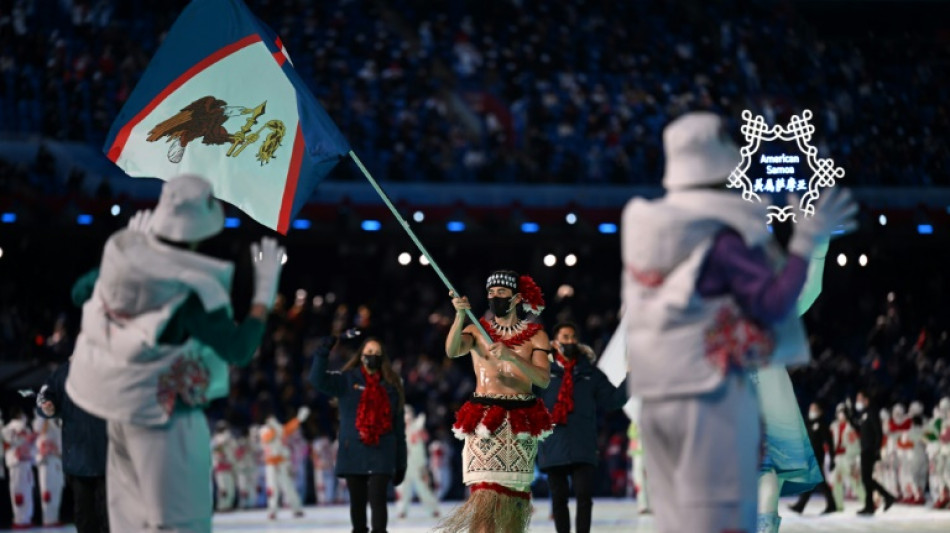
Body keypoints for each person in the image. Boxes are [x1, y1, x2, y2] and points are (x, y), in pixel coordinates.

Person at [621, 111, 857, 533]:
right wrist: (808, 244)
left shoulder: (641, 224)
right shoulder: (726, 238)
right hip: (716, 396)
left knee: (677, 514)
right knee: (730, 511)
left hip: (660, 396)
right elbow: (779, 304)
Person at [65, 173, 285, 532]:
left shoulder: (121, 256)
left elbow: (80, 294)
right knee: (181, 523)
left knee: (131, 525)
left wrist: (137, 245)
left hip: (118, 410)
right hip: (165, 416)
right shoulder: (193, 284)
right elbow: (239, 349)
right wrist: (263, 297)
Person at [440, 271, 553, 533]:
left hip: (520, 421)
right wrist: (459, 316)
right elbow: (452, 350)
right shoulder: (476, 330)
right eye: (490, 293)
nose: (494, 298)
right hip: (485, 420)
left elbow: (543, 379)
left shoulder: (537, 336)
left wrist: (512, 358)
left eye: (501, 293)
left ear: (515, 298)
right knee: (484, 499)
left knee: (514, 501)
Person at [536, 322, 627, 533]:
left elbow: (612, 400)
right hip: (553, 445)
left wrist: (631, 379)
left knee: (584, 498)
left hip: (582, 445)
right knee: (559, 501)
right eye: (564, 337)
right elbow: (528, 400)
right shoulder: (542, 374)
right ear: (555, 343)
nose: (569, 342)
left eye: (572, 337)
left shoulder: (591, 374)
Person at [310, 335, 407, 533]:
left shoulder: (392, 385)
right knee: (358, 504)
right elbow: (317, 379)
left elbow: (399, 428)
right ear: (361, 356)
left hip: (383, 450)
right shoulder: (347, 380)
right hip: (353, 449)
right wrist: (323, 352)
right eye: (369, 352)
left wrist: (401, 462)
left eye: (377, 353)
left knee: (378, 500)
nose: (372, 356)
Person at [846, 391, 896, 515]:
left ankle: (886, 497)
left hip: (870, 450)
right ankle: (871, 505)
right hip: (865, 449)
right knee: (866, 479)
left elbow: (878, 433)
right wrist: (850, 416)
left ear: (866, 400)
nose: (857, 401)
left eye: (859, 399)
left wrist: (876, 450)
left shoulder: (872, 412)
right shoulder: (864, 414)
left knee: (866, 479)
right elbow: (859, 428)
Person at [259, 407, 309, 519]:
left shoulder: (278, 428)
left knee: (288, 487)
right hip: (271, 464)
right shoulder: (264, 430)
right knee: (272, 489)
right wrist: (276, 427)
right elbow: (269, 437)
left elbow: (288, 429)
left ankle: (296, 509)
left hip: (281, 462)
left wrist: (298, 419)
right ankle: (272, 511)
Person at [788, 402, 837, 515]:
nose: (812, 410)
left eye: (814, 408)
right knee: (817, 481)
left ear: (820, 411)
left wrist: (832, 457)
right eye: (811, 408)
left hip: (818, 455)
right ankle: (831, 504)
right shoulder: (808, 423)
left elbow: (829, 442)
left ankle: (801, 505)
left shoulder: (822, 423)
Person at [394, 405, 440, 519]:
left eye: (409, 414)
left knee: (424, 489)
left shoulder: (417, 426)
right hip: (405, 466)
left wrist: (419, 430)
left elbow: (425, 438)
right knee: (403, 490)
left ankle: (433, 509)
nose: (407, 417)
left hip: (419, 465)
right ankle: (402, 511)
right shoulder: (398, 429)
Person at [1, 411, 35, 529]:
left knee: (28, 491)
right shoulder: (7, 429)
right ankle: (19, 519)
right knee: (18, 491)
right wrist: (21, 437)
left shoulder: (27, 429)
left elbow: (32, 444)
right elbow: (9, 442)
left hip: (26, 463)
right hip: (16, 464)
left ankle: (26, 519)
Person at [32, 417, 65, 526]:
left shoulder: (57, 426)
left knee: (57, 490)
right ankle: (48, 519)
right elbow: (39, 431)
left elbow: (61, 445)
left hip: (57, 462)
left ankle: (54, 518)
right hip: (45, 462)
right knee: (47, 492)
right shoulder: (40, 428)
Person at [211, 421, 238, 512]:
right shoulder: (215, 439)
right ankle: (222, 506)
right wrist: (222, 443)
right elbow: (216, 449)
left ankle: (228, 505)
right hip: (220, 467)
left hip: (229, 466)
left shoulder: (229, 438)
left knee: (230, 489)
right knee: (223, 489)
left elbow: (234, 449)